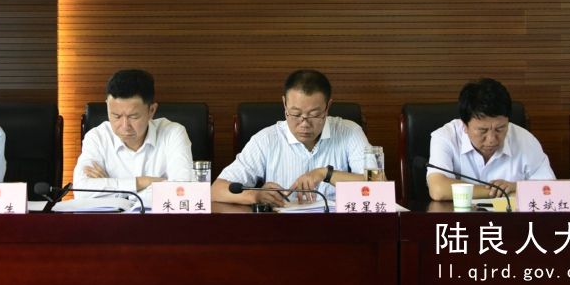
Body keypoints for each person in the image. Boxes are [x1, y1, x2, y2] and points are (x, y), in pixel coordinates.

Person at [212, 69, 372, 207]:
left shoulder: (349, 132)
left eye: (314, 115)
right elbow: (216, 190)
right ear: (284, 104)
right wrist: (255, 196)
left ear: (327, 107)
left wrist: (325, 174)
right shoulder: (266, 140)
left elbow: (377, 186)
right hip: (282, 228)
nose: (304, 124)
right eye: (295, 114)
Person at [427, 78, 555, 201]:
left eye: (500, 128)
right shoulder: (446, 137)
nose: (492, 139)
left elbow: (551, 190)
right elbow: (438, 190)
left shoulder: (525, 140)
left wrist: (516, 187)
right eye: (483, 130)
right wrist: (503, 192)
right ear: (465, 125)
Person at [73, 69, 193, 198]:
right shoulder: (97, 138)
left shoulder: (173, 134)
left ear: (151, 111)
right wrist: (142, 182)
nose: (125, 126)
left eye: (133, 117)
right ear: (107, 106)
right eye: (116, 116)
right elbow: (80, 191)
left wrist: (110, 187)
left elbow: (182, 190)